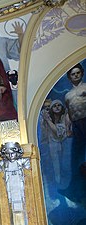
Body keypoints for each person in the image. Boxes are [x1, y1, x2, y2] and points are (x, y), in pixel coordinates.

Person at [59, 63, 86, 204]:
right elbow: (68, 113)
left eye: (77, 73)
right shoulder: (68, 95)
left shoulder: (85, 87)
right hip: (76, 125)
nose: (75, 76)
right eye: (72, 74)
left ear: (81, 73)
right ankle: (74, 189)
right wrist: (68, 128)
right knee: (76, 157)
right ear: (69, 77)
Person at [40, 99, 71, 184]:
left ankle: (66, 181)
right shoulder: (47, 119)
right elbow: (44, 133)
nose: (57, 107)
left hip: (64, 143)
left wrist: (48, 120)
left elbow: (59, 132)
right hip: (52, 144)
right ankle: (57, 182)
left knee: (65, 163)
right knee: (55, 164)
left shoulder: (65, 117)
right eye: (54, 106)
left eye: (59, 105)